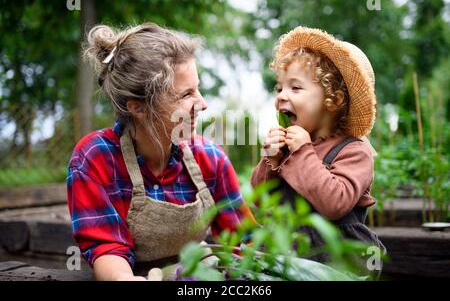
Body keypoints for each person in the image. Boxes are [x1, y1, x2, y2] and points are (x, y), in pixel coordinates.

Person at [67, 23, 254, 281]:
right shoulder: (95, 158)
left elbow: (243, 242)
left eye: (197, 89)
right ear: (138, 108)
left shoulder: (210, 158)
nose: (202, 103)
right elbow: (106, 247)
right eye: (186, 94)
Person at [251, 26, 386, 278]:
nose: (281, 97)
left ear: (332, 100)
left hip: (334, 263)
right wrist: (271, 160)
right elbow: (260, 201)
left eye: (295, 88)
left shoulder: (355, 151)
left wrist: (302, 152)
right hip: (286, 257)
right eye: (279, 88)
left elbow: (335, 203)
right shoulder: (290, 145)